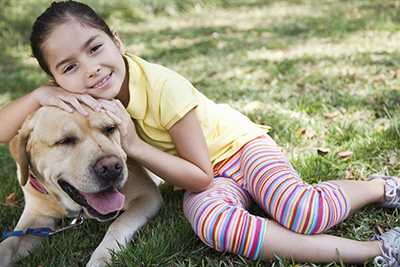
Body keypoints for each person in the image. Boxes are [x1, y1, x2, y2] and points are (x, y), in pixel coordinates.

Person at [0, 1, 399, 266]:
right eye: (68, 68)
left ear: (117, 41)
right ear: (54, 80)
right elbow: (8, 131)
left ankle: (380, 188)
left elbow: (201, 173)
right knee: (215, 229)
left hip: (237, 151)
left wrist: (135, 144)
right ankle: (376, 252)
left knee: (302, 210)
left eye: (95, 48)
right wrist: (36, 96)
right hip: (193, 178)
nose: (89, 70)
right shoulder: (66, 105)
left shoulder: (163, 87)